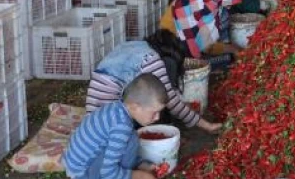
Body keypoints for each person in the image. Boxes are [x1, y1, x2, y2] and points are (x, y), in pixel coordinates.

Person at [85, 30, 221, 134]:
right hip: (108, 118)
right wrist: (207, 125)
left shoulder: (133, 45)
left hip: (93, 108)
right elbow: (172, 102)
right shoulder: (153, 59)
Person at [63, 74, 167, 179]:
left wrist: (141, 165)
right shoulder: (122, 126)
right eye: (154, 112)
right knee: (132, 140)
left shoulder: (117, 109)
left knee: (130, 174)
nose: (157, 117)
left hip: (82, 171)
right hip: (85, 178)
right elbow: (108, 171)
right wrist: (140, 176)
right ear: (135, 106)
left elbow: (113, 150)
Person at [160, 0, 242, 58]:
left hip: (176, 39)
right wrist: (232, 48)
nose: (229, 7)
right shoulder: (200, 6)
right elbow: (206, 46)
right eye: (229, 2)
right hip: (171, 43)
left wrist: (231, 48)